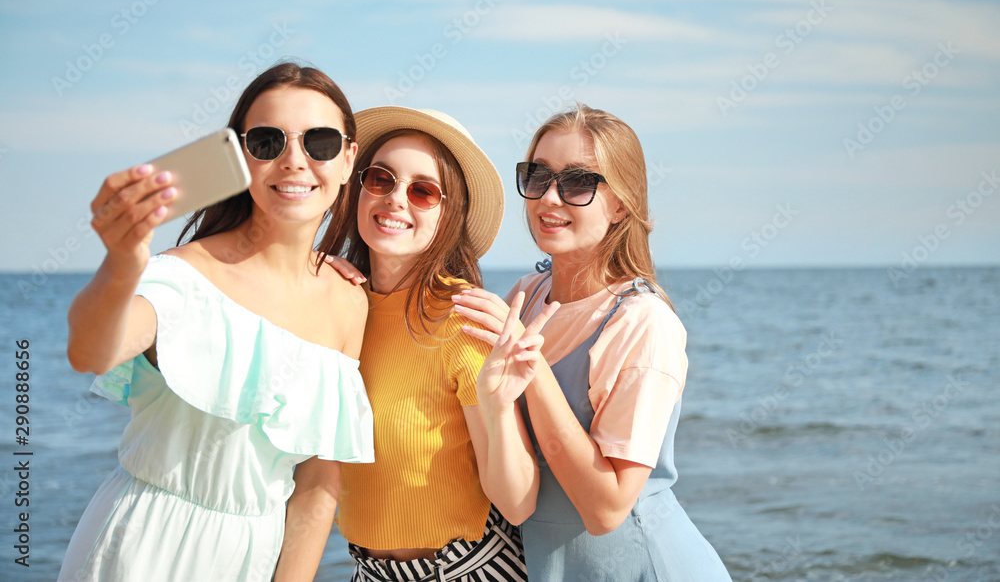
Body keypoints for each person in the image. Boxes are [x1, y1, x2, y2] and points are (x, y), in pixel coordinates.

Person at [59, 62, 374, 582]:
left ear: (347, 159)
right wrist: (121, 262)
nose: (294, 161)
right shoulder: (182, 277)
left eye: (318, 141)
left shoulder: (348, 300)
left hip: (256, 555)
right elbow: (90, 352)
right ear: (238, 157)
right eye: (268, 142)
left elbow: (319, 482)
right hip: (141, 547)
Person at [453, 104, 732, 581]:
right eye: (538, 176)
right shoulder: (525, 294)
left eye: (578, 182)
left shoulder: (642, 323)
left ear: (621, 203)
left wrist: (533, 367)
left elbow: (606, 511)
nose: (549, 198)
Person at [321, 106, 546, 582]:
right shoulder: (335, 302)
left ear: (449, 214)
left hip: (467, 569)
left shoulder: (462, 320)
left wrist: (499, 406)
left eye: (423, 191)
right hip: (366, 570)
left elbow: (518, 502)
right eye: (380, 179)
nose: (396, 199)